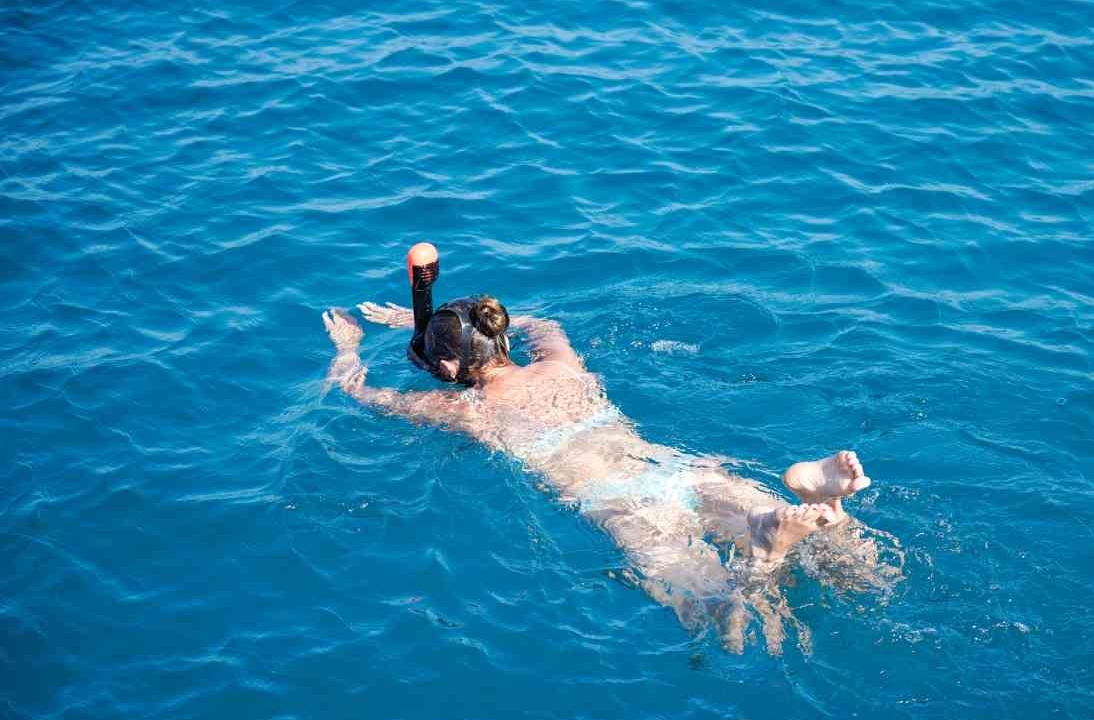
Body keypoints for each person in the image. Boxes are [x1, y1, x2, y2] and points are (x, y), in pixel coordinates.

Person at [321, 242, 886, 653]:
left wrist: (348, 348)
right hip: (671, 467)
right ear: (503, 337)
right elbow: (545, 322)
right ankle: (811, 509)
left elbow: (362, 393)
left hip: (618, 500)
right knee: (822, 545)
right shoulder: (559, 364)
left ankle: (767, 553)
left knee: (718, 609)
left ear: (446, 368)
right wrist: (424, 321)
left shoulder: (469, 410)